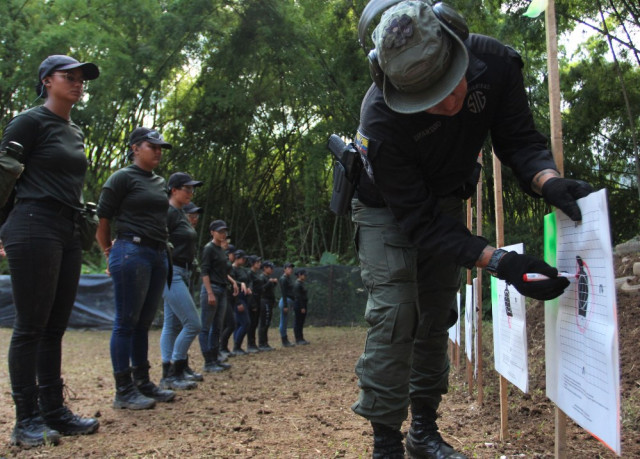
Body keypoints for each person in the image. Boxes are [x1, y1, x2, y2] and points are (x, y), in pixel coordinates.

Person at [351, 1, 594, 458]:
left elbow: (518, 140)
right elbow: (419, 223)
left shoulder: (497, 63)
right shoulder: (380, 121)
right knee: (398, 311)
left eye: (450, 85)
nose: (447, 104)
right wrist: (501, 262)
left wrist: (548, 180)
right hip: (386, 208)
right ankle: (386, 444)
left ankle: (423, 431)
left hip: (444, 197)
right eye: (428, 98)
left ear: (457, 45)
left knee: (436, 313)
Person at [0, 55, 101, 447]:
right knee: (30, 326)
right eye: (69, 77)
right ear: (46, 81)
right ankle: (25, 422)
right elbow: (4, 176)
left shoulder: (73, 130)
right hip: (32, 222)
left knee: (55, 326)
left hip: (66, 228)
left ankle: (53, 411)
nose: (78, 84)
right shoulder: (29, 121)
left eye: (81, 80)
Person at [96, 127, 176, 410]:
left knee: (144, 322)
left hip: (157, 253)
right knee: (125, 321)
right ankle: (123, 390)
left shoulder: (159, 181)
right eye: (151, 146)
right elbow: (102, 219)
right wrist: (109, 251)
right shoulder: (121, 178)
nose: (157, 151)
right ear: (134, 148)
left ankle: (143, 382)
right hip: (131, 251)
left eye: (160, 147)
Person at [159, 172, 204, 391]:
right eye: (187, 189)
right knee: (193, 323)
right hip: (171, 272)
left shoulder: (178, 213)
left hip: (183, 272)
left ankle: (169, 371)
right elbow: (153, 234)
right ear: (174, 189)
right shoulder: (167, 212)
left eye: (192, 189)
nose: (191, 193)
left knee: (172, 324)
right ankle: (175, 369)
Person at [198, 220, 237, 372]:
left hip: (222, 289)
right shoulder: (209, 249)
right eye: (220, 231)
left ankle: (215, 358)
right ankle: (208, 361)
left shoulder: (221, 249)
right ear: (212, 232)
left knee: (218, 326)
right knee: (206, 327)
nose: (223, 234)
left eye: (224, 231)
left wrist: (233, 282)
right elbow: (204, 271)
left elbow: (223, 271)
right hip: (212, 288)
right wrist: (209, 292)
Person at [230, 250, 252, 356]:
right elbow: (233, 287)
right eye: (243, 258)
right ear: (237, 257)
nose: (244, 260)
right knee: (246, 322)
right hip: (237, 298)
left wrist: (248, 289)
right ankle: (236, 346)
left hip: (245, 297)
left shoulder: (242, 270)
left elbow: (247, 282)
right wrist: (238, 302)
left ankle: (237, 345)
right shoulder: (232, 269)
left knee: (240, 323)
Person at [257, 261, 278, 351]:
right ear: (265, 268)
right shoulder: (261, 277)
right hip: (264, 301)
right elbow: (261, 289)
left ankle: (265, 343)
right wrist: (270, 282)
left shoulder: (268, 277)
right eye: (270, 267)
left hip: (269, 301)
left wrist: (274, 283)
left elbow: (270, 289)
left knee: (267, 322)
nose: (272, 270)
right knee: (264, 323)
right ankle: (262, 343)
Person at [245, 255, 263, 353]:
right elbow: (250, 289)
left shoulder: (256, 273)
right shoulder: (249, 274)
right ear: (252, 263)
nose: (259, 264)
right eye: (257, 262)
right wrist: (253, 304)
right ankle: (250, 344)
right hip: (253, 300)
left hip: (258, 298)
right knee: (251, 323)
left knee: (255, 322)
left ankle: (253, 343)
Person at [278, 262, 296, 347]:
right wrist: (285, 305)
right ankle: (284, 339)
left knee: (285, 320)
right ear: (284, 269)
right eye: (288, 268)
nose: (290, 270)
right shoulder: (283, 279)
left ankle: (285, 339)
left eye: (291, 268)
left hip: (290, 301)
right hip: (286, 301)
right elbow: (283, 293)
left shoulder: (289, 278)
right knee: (283, 320)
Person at [293, 269, 309, 345]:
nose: (305, 276)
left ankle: (301, 337)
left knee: (301, 321)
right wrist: (302, 307)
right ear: (299, 275)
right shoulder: (297, 284)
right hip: (299, 305)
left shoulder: (301, 283)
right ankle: (298, 338)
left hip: (303, 304)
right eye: (304, 275)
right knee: (298, 321)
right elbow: (298, 297)